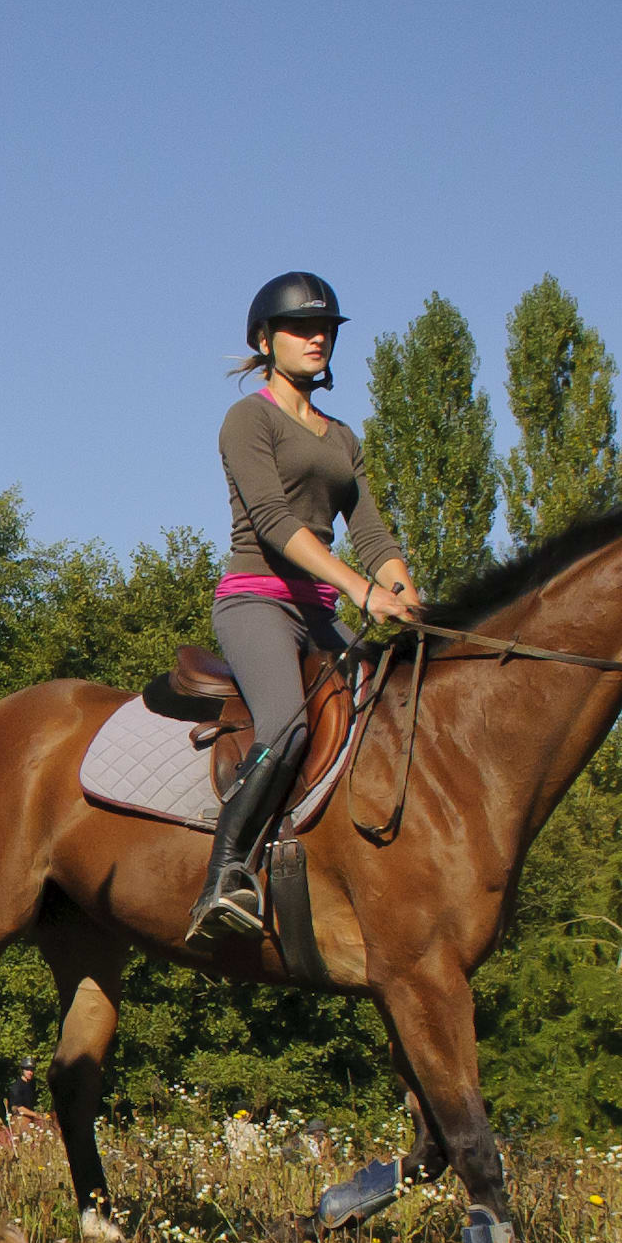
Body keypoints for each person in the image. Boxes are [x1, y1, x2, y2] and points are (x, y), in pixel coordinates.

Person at [189, 271, 422, 941]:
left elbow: (373, 534)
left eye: (325, 328)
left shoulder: (342, 437)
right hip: (259, 600)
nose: (316, 337)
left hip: (322, 610)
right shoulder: (248, 418)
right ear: (265, 339)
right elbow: (269, 519)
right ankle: (223, 874)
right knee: (288, 723)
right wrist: (359, 588)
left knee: (391, 707)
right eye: (300, 327)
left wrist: (404, 592)